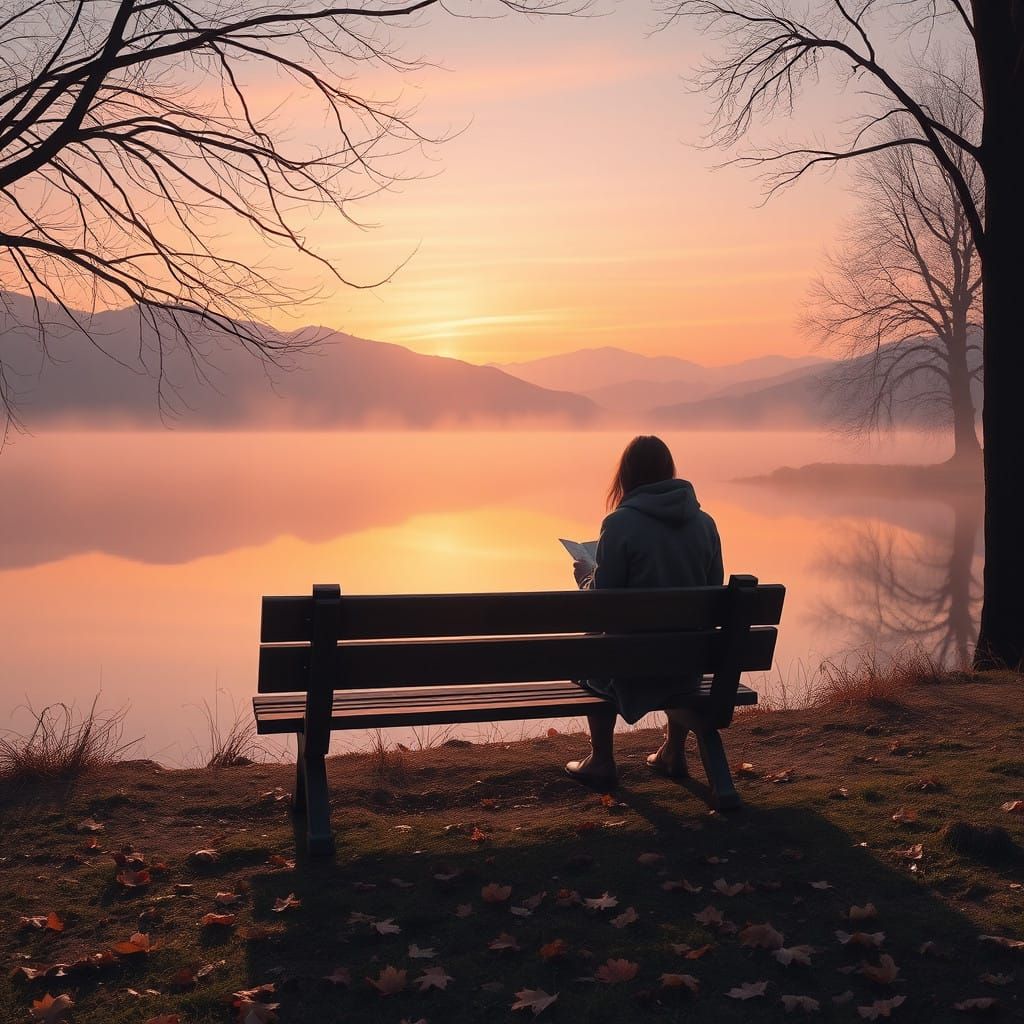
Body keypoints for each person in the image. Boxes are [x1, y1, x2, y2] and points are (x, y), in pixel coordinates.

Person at [565, 435, 723, 787]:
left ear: (627, 476)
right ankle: (674, 752)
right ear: (669, 472)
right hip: (688, 668)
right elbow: (715, 597)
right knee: (679, 641)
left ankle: (602, 759)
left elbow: (601, 605)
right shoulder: (705, 524)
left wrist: (586, 576)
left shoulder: (619, 524)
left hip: (633, 668)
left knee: (592, 648)